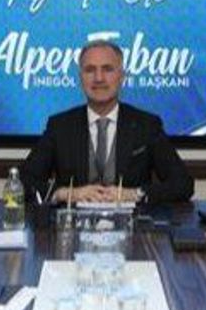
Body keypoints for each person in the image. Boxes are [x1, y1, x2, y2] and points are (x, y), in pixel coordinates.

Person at [19, 40, 194, 204]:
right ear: (80, 78)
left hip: (133, 224)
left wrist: (134, 194)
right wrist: (66, 193)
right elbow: (22, 182)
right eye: (90, 70)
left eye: (107, 69)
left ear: (122, 76)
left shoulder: (147, 125)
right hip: (72, 224)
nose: (99, 78)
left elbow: (183, 184)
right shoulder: (60, 126)